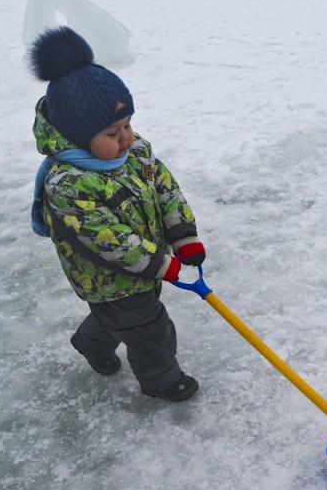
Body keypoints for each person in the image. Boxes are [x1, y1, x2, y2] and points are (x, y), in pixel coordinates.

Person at [29, 26, 204, 402]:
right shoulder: (67, 184)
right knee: (148, 328)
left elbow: (164, 187)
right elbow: (106, 239)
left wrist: (182, 235)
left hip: (147, 267)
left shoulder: (135, 151)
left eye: (127, 124)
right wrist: (160, 263)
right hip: (107, 277)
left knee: (119, 318)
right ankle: (161, 380)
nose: (126, 136)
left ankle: (89, 342)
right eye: (113, 132)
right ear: (78, 135)